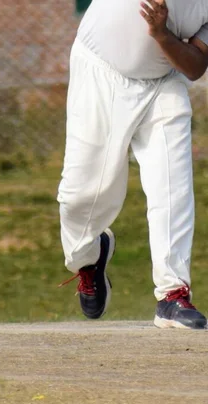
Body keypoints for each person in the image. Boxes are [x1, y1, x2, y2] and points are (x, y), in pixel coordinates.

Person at [58, 0, 208, 329]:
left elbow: (196, 66)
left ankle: (172, 295)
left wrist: (162, 34)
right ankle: (89, 259)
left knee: (173, 187)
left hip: (164, 82)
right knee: (79, 197)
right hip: (100, 71)